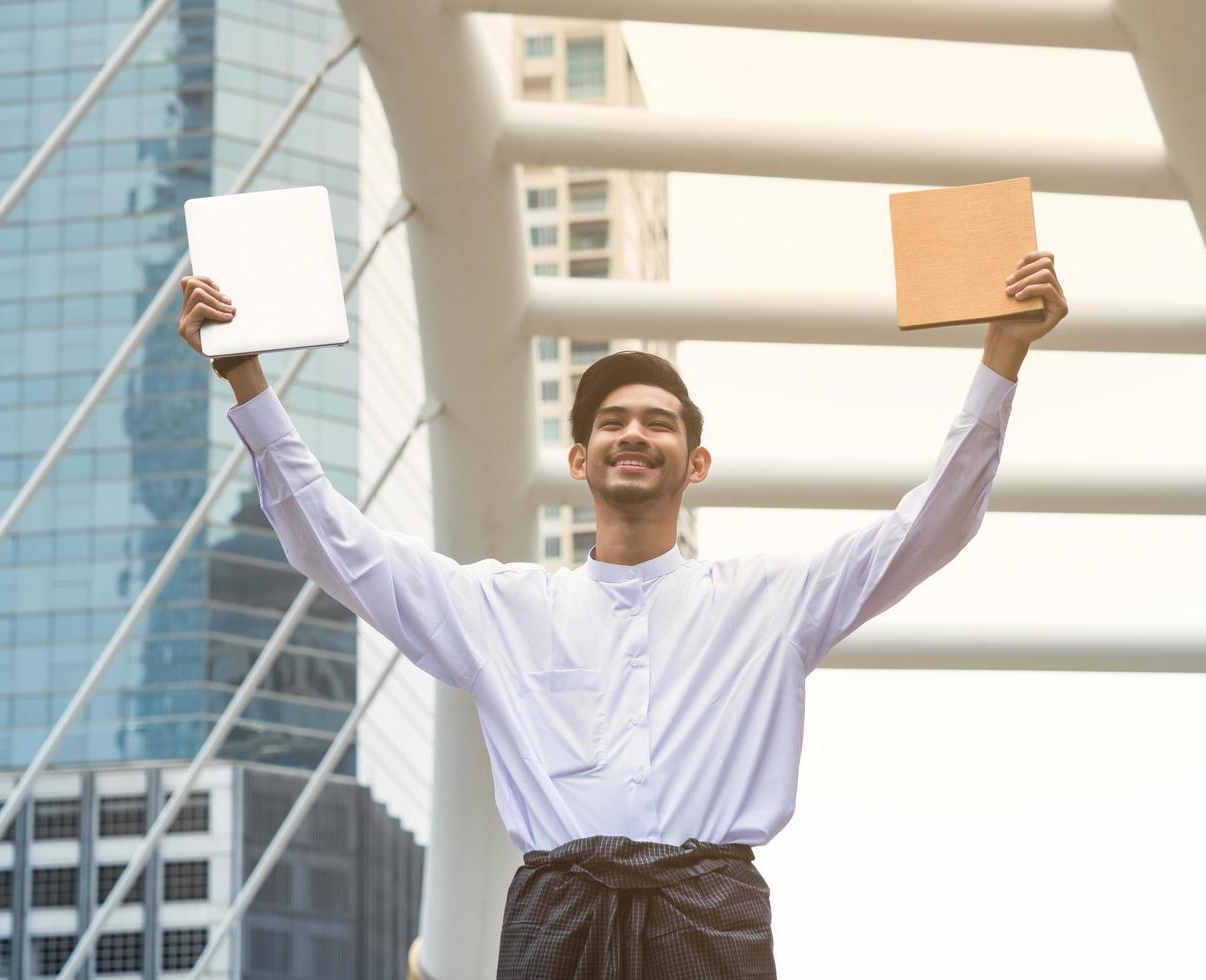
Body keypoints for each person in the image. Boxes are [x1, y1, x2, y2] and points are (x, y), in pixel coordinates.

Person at [177, 252, 1068, 979]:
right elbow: (339, 548)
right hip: (554, 924)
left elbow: (931, 524)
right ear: (578, 456)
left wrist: (1002, 354)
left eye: (656, 422)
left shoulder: (773, 600)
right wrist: (249, 382)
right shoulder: (499, 609)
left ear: (697, 461)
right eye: (610, 422)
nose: (632, 433)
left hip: (708, 921)